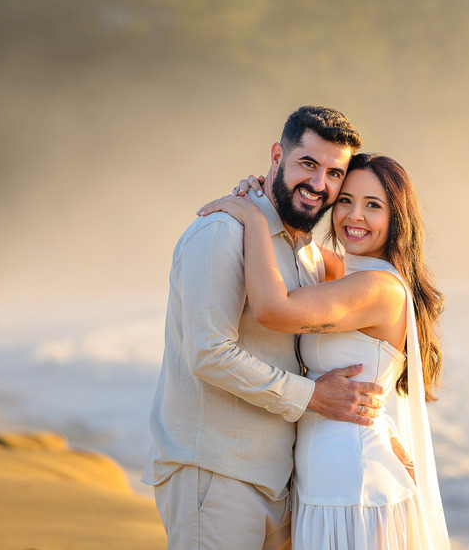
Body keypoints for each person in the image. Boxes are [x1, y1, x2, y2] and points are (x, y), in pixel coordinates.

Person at [143, 106, 386, 550]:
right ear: (277, 156)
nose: (319, 185)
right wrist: (312, 396)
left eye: (335, 174)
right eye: (308, 164)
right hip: (215, 472)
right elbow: (209, 352)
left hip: (284, 481)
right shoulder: (221, 232)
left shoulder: (309, 256)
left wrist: (385, 440)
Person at [198, 152, 450, 549]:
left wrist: (252, 218)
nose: (355, 216)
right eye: (346, 200)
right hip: (322, 486)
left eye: (373, 206)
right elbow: (297, 247)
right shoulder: (347, 271)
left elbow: (272, 309)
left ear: (397, 218)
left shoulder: (379, 290)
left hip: (356, 489)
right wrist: (266, 196)